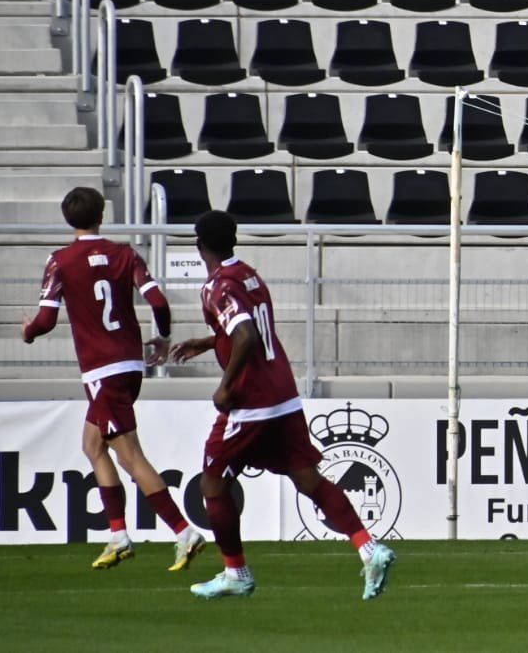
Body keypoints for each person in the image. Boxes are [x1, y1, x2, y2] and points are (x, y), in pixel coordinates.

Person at [171, 210, 395, 600]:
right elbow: (248, 328)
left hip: (250, 404)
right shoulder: (249, 275)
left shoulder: (216, 286)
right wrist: (207, 342)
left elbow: (245, 335)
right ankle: (368, 548)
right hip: (283, 396)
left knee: (212, 482)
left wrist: (225, 387)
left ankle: (235, 572)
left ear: (198, 245)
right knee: (308, 479)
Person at [20, 187, 206, 571]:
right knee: (92, 445)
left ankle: (184, 531)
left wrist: (28, 333)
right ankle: (118, 534)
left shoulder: (60, 261)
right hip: (128, 365)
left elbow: (46, 319)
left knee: (130, 455)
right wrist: (164, 336)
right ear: (101, 215)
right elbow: (157, 302)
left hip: (102, 371)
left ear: (67, 219)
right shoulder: (126, 254)